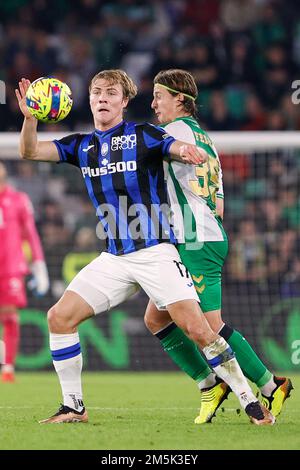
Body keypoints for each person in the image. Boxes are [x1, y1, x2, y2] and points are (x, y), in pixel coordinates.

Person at [16, 70, 274, 425]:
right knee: (59, 317)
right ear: (88, 100)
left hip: (156, 252)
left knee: (200, 330)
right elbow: (29, 151)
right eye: (96, 92)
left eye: (111, 93)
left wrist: (187, 150)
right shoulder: (81, 145)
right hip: (115, 258)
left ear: (124, 102)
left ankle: (249, 400)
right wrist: (30, 119)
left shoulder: (143, 134)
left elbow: (173, 147)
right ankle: (74, 407)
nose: (102, 98)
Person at [146, 68, 293, 423]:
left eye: (159, 97)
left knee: (210, 327)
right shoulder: (206, 139)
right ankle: (210, 382)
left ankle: (270, 385)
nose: (153, 104)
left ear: (180, 99)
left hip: (197, 239)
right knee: (155, 318)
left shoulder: (175, 132)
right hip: (202, 235)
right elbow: (221, 203)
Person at [0, 162, 49, 382]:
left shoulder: (18, 200)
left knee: (9, 316)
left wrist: (39, 267)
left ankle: (7, 367)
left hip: (10, 268)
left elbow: (31, 234)